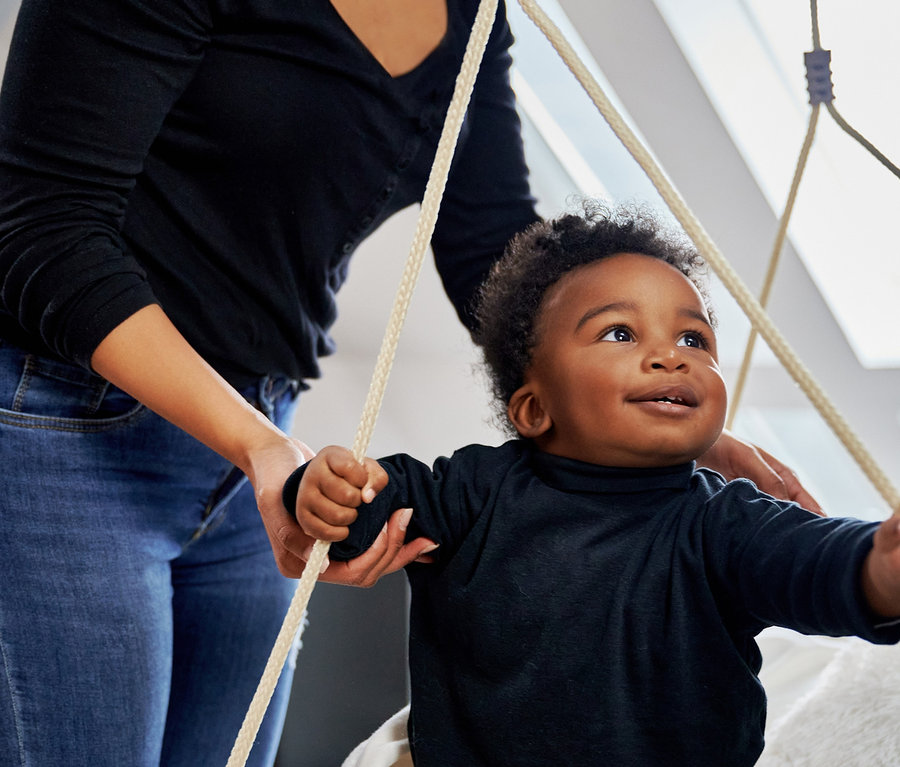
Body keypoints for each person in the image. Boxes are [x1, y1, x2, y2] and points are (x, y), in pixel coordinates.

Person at [0, 1, 816, 765]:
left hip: (251, 446)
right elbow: (42, 226)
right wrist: (259, 446)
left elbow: (492, 251)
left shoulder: (471, 14)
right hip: (62, 429)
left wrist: (664, 424)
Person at [291, 202, 900, 766]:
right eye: (619, 333)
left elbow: (815, 562)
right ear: (533, 409)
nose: (671, 356)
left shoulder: (728, 523)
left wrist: (878, 569)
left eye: (693, 339)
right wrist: (322, 491)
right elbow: (365, 513)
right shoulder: (473, 491)